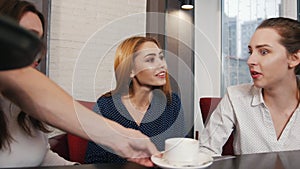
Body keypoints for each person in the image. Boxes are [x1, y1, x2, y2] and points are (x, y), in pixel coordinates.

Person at [0, 0, 158, 167]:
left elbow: (41, 156)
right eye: (26, 36)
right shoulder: (107, 104)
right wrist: (120, 137)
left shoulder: (26, 113)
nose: (36, 50)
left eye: (38, 40)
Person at [199, 17, 300, 156]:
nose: (250, 61)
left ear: (294, 58)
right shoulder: (235, 97)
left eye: (264, 52)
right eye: (250, 52)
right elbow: (206, 151)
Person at [85, 36, 185, 164]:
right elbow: (93, 161)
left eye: (161, 57)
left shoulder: (172, 103)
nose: (162, 65)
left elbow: (181, 153)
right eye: (150, 60)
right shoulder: (106, 106)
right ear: (131, 70)